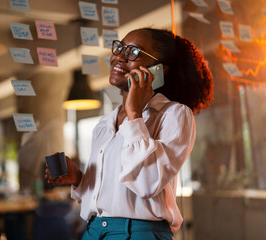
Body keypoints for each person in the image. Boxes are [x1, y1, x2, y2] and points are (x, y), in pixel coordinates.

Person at [45, 27, 213, 239]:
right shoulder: (105, 124)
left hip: (138, 233)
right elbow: (106, 198)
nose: (119, 57)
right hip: (93, 231)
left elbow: (146, 184)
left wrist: (134, 114)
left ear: (158, 70)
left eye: (134, 51)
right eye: (119, 47)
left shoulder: (175, 114)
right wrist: (79, 179)